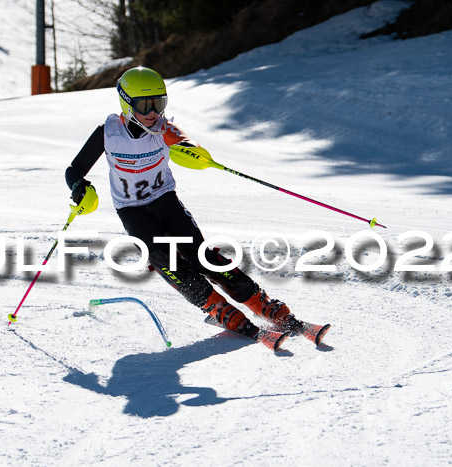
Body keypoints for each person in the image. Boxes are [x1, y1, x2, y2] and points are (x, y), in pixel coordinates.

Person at [65, 66, 304, 339]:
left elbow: (183, 142)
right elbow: (74, 169)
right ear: (127, 103)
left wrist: (194, 153)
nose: (154, 112)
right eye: (146, 105)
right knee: (165, 260)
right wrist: (78, 186)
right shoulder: (108, 133)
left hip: (164, 200)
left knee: (201, 255)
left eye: (159, 103)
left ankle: (259, 302)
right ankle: (217, 308)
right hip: (132, 210)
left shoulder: (163, 129)